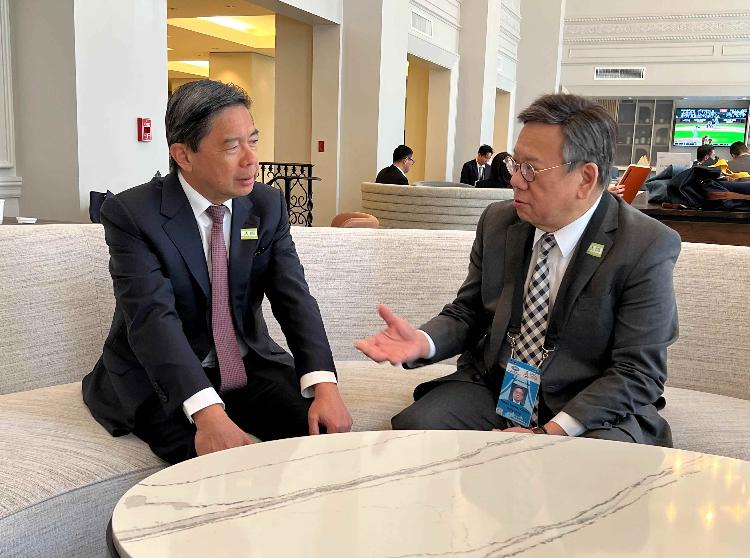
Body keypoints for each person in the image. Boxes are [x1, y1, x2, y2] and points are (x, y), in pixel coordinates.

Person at [356, 94, 680, 446]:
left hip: (588, 406)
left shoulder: (645, 245)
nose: (514, 180)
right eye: (515, 163)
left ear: (585, 178)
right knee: (417, 431)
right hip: (498, 387)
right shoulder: (499, 222)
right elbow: (469, 312)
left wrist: (549, 433)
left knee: (585, 466)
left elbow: (638, 371)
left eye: (531, 169)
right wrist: (423, 342)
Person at [82, 80, 352, 464]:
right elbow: (152, 318)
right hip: (162, 376)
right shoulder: (134, 215)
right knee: (216, 466)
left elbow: (294, 297)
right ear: (183, 155)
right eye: (232, 146)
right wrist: (207, 413)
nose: (251, 159)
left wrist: (324, 383)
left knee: (323, 442)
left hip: (245, 366)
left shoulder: (266, 205)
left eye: (253, 141)